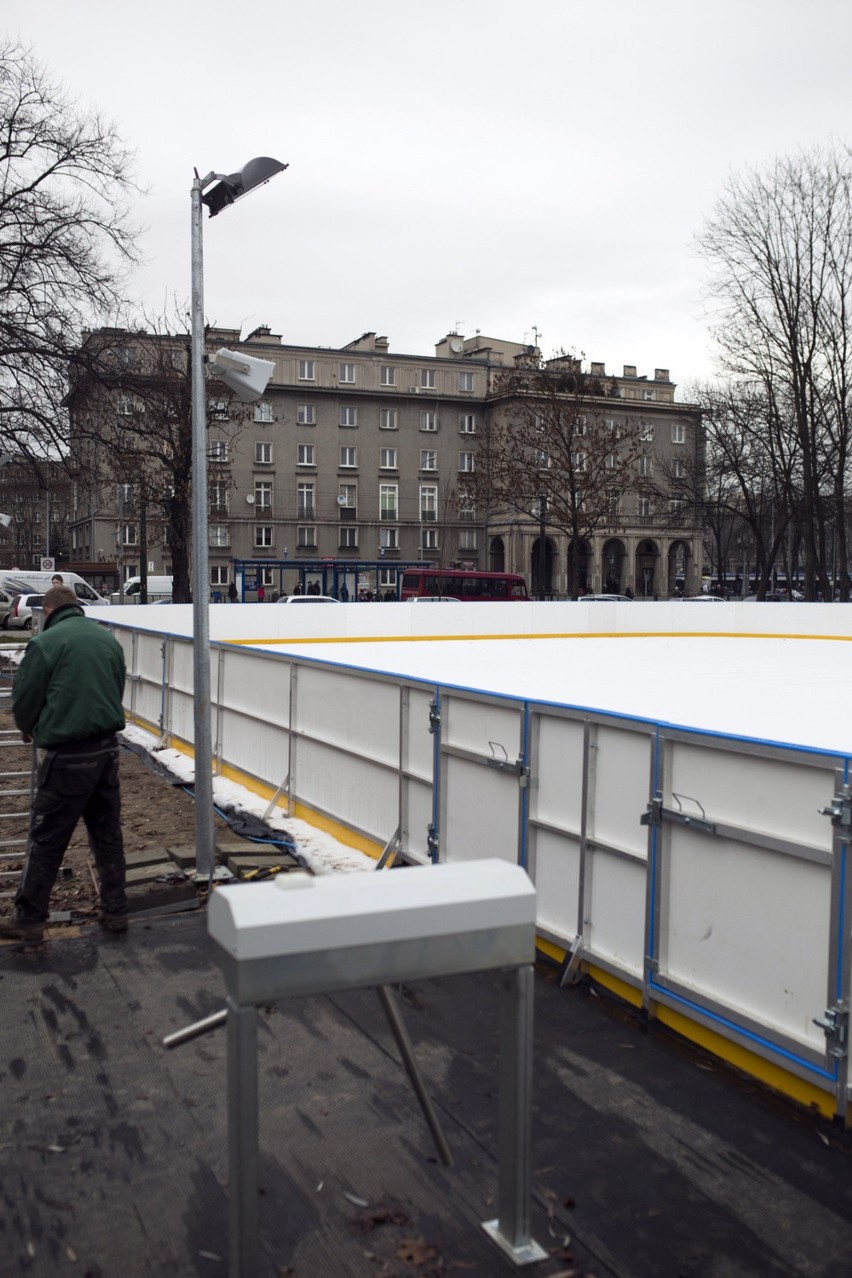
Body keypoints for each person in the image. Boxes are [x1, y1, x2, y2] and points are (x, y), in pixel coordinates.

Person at [0, 586, 128, 943]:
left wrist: (29, 728)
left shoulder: (46, 644)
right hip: (106, 751)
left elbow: (25, 699)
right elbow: (114, 689)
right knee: (107, 836)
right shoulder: (107, 642)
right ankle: (117, 912)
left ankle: (29, 919)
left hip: (67, 756)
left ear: (50, 610)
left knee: (47, 837)